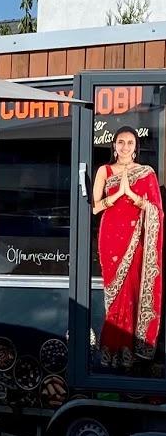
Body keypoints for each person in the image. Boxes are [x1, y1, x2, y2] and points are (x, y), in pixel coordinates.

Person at [92, 126, 163, 369]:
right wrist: (118, 194)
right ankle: (111, 349)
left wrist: (133, 196)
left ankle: (127, 349)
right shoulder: (105, 170)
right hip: (111, 237)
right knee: (114, 295)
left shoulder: (146, 173)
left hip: (136, 238)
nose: (124, 147)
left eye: (129, 143)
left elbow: (156, 210)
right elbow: (95, 207)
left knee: (132, 291)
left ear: (136, 148)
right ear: (114, 146)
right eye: (120, 142)